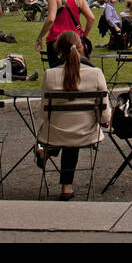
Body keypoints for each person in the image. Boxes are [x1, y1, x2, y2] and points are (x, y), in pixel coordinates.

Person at [35, 31, 110, 200]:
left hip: (55, 133)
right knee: (73, 129)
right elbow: (105, 116)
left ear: (58, 51)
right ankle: (66, 186)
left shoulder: (50, 75)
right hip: (86, 133)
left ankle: (47, 154)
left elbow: (43, 114)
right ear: (82, 47)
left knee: (64, 129)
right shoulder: (96, 74)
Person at [35, 0, 92, 67]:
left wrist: (40, 37)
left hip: (57, 41)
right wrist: (83, 34)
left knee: (56, 74)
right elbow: (91, 18)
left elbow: (50, 20)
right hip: (75, 40)